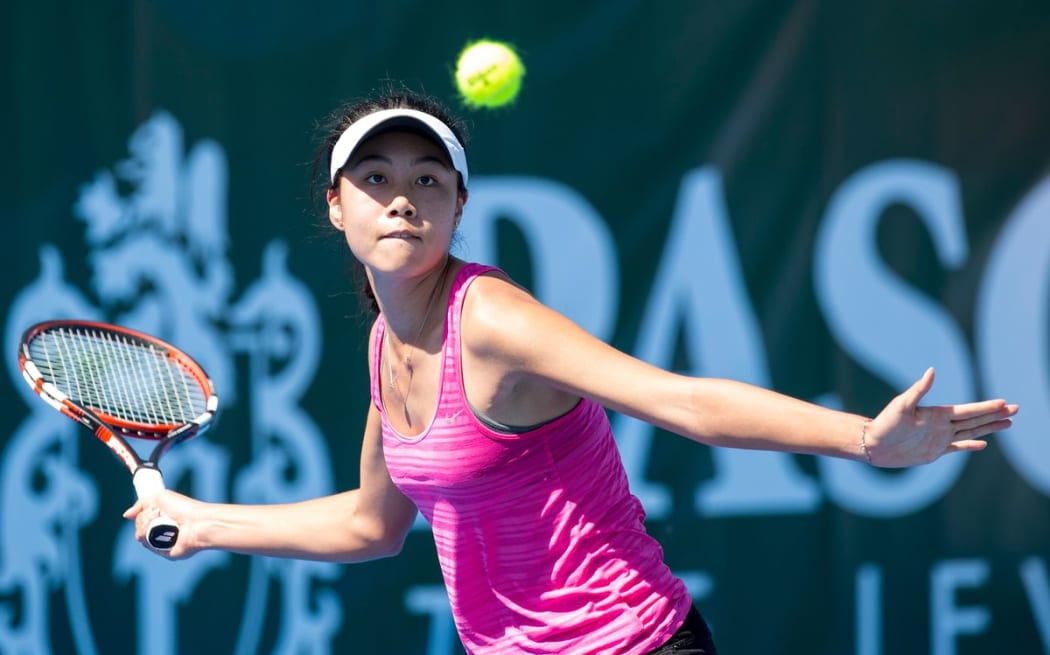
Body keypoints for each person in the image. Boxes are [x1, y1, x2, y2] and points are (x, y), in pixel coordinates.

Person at [124, 87, 1018, 654]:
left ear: (459, 205)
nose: (403, 195)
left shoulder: (494, 321)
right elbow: (372, 524)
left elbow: (680, 398)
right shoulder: (385, 348)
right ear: (336, 204)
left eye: (430, 179)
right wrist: (205, 523)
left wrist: (863, 438)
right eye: (376, 176)